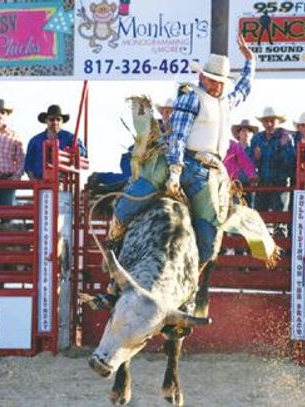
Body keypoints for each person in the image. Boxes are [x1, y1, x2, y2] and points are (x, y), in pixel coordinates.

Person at [109, 33, 255, 270]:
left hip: (208, 174)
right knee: (129, 203)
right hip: (182, 163)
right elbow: (178, 136)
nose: (216, 85)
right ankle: (114, 244)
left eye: (220, 81)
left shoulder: (225, 102)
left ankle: (191, 280)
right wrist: (175, 173)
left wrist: (251, 61)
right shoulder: (191, 99)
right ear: (202, 77)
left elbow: (244, 90)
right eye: (212, 80)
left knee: (208, 243)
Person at [251, 106, 296, 237]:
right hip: (263, 183)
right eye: (266, 121)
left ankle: (281, 254)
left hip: (280, 184)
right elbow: (251, 159)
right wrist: (276, 148)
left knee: (280, 223)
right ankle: (260, 253)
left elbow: (289, 161)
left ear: (278, 121)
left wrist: (265, 153)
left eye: (272, 121)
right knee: (259, 220)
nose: (269, 124)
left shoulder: (286, 137)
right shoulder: (257, 138)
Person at [24, 104, 87, 180]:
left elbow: (83, 152)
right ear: (46, 121)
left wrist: (73, 151)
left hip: (65, 182)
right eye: (51, 119)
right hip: (40, 182)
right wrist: (34, 181)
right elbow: (28, 165)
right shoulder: (35, 141)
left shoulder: (70, 138)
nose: (55, 122)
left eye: (58, 119)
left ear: (62, 121)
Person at [224, 119, 257, 206]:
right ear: (238, 133)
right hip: (232, 183)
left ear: (252, 134)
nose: (246, 132)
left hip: (249, 185)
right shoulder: (230, 147)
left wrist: (253, 176)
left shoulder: (257, 150)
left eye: (249, 130)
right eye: (243, 130)